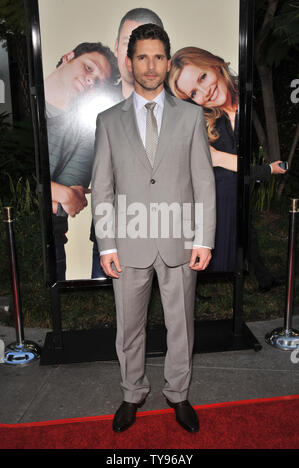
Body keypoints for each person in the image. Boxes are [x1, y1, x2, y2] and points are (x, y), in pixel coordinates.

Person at [91, 24, 216, 433]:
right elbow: (103, 187)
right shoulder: (108, 120)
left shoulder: (191, 116)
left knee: (182, 324)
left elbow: (203, 181)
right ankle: (132, 393)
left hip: (180, 240)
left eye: (159, 57)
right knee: (129, 325)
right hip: (128, 244)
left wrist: (204, 238)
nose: (151, 65)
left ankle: (178, 394)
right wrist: (107, 245)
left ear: (167, 60)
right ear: (130, 62)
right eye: (142, 56)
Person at [168, 46, 287, 276]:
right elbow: (211, 162)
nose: (205, 91)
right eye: (194, 93)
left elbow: (223, 160)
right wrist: (266, 170)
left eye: (203, 77)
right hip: (214, 196)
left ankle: (260, 277)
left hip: (237, 190)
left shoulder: (251, 98)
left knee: (245, 233)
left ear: (215, 65)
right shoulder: (203, 123)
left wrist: (262, 169)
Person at [91, 8, 164, 278]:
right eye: (129, 43)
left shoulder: (185, 112)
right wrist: (106, 243)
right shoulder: (95, 108)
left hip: (173, 239)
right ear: (118, 48)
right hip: (117, 240)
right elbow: (100, 185)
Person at [44, 42, 119, 280]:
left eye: (98, 82)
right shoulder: (15, 101)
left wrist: (63, 195)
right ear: (68, 57)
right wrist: (60, 191)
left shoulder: (85, 132)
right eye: (89, 68)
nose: (91, 80)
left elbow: (68, 205)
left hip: (50, 243)